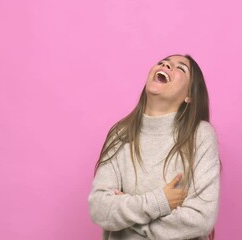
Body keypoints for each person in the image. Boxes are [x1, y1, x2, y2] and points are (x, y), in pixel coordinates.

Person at [88, 54, 220, 240]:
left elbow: (200, 218)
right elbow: (100, 209)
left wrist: (128, 224)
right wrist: (161, 201)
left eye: (180, 68)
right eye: (163, 62)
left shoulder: (200, 135)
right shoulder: (120, 134)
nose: (166, 64)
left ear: (189, 96)